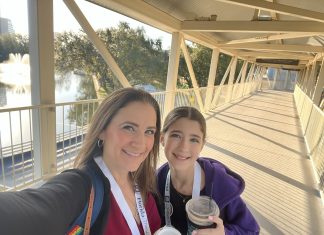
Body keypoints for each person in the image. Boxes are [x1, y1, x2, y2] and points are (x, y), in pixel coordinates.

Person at [0, 88, 162, 235]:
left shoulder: (145, 181)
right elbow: (29, 211)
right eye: (129, 127)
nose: (141, 143)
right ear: (101, 130)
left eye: (149, 131)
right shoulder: (81, 186)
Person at [156, 106, 260, 235]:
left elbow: (251, 230)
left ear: (202, 145)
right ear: (162, 138)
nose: (184, 147)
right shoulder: (155, 182)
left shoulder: (221, 185)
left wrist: (224, 233)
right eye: (176, 136)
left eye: (194, 139)